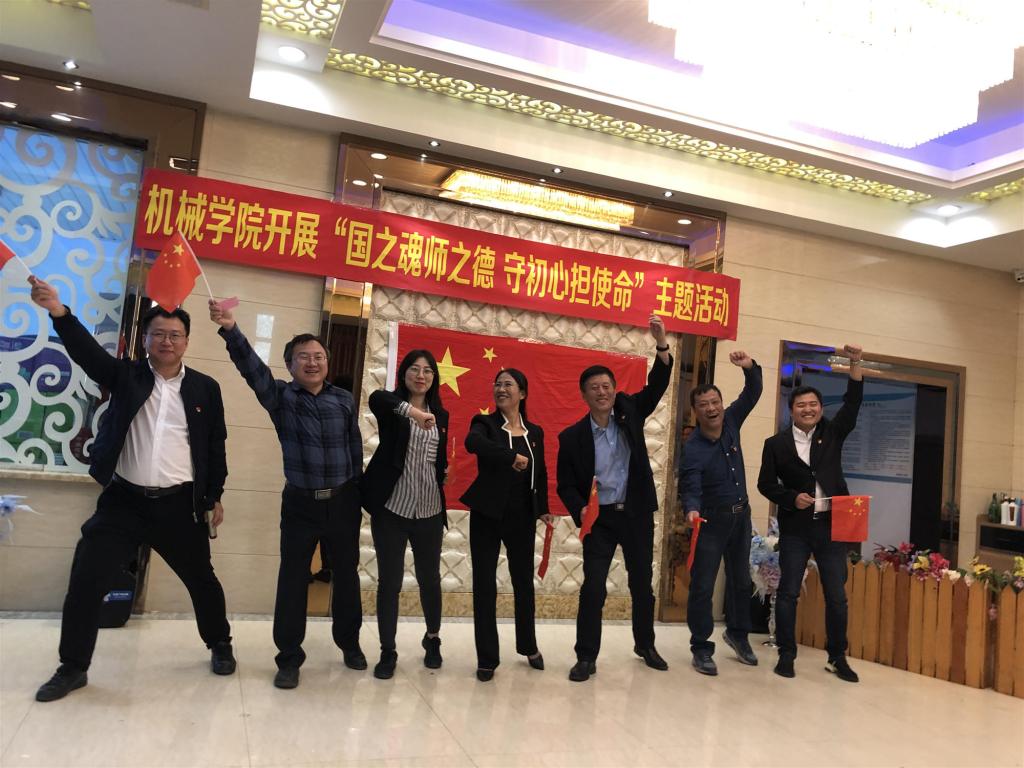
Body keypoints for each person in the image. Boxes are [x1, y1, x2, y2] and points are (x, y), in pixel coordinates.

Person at [28, 276, 234, 702]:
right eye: (158, 334)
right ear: (145, 340)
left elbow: (215, 445)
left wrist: (214, 495)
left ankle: (219, 642)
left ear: (187, 341)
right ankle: (73, 667)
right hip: (123, 502)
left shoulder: (205, 388)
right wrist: (59, 313)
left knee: (202, 580)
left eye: (174, 335)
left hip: (179, 505)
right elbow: (88, 354)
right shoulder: (126, 375)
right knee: (86, 580)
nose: (166, 341)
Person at [209, 300, 363, 690]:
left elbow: (354, 448)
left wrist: (358, 496)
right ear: (290, 365)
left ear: (327, 362)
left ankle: (349, 643)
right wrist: (231, 330)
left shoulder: (343, 399)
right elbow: (252, 369)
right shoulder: (281, 397)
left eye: (318, 356)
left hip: (342, 502)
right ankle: (289, 658)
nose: (312, 362)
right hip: (300, 504)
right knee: (293, 580)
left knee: (346, 576)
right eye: (303, 357)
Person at [557, 315, 673, 682]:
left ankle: (646, 645)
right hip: (600, 519)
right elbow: (564, 485)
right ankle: (586, 656)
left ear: (613, 389)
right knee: (593, 588)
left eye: (606, 386)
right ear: (584, 395)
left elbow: (657, 384)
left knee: (642, 584)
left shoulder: (629, 412)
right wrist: (580, 509)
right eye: (594, 388)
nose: (602, 392)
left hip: (636, 514)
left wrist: (661, 344)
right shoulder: (572, 437)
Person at [757, 344, 864, 683]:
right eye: (801, 405)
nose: (808, 409)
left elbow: (853, 403)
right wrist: (791, 498)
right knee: (788, 592)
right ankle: (786, 654)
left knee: (837, 596)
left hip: (832, 526)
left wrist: (855, 363)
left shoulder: (833, 433)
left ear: (820, 408)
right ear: (791, 410)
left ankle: (837, 657)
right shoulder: (775, 444)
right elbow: (764, 484)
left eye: (813, 404)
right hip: (796, 528)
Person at [461, 368, 555, 682]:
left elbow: (540, 471)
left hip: (522, 516)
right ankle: (487, 657)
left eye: (508, 384)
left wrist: (543, 508)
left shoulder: (535, 432)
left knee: (523, 583)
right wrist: (509, 456)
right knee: (485, 585)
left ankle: (528, 645)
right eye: (497, 384)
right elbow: (473, 443)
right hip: (487, 514)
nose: (501, 389)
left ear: (522, 393)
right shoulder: (484, 424)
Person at [362, 350, 448, 679]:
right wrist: (413, 412)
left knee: (430, 579)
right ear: (404, 374)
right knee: (390, 581)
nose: (421, 376)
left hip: (429, 509)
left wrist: (445, 471)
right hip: (392, 509)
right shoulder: (392, 407)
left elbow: (437, 458)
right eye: (414, 369)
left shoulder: (442, 414)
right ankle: (388, 650)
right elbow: (376, 397)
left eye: (428, 371)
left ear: (434, 378)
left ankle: (433, 638)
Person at [678, 351, 763, 676]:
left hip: (741, 517)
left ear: (722, 404)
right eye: (704, 405)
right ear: (695, 411)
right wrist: (692, 510)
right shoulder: (693, 448)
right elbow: (690, 485)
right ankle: (701, 647)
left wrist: (749, 367)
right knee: (703, 585)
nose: (711, 408)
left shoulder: (731, 421)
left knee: (741, 581)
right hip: (710, 522)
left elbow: (752, 393)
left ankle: (738, 635)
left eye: (715, 402)